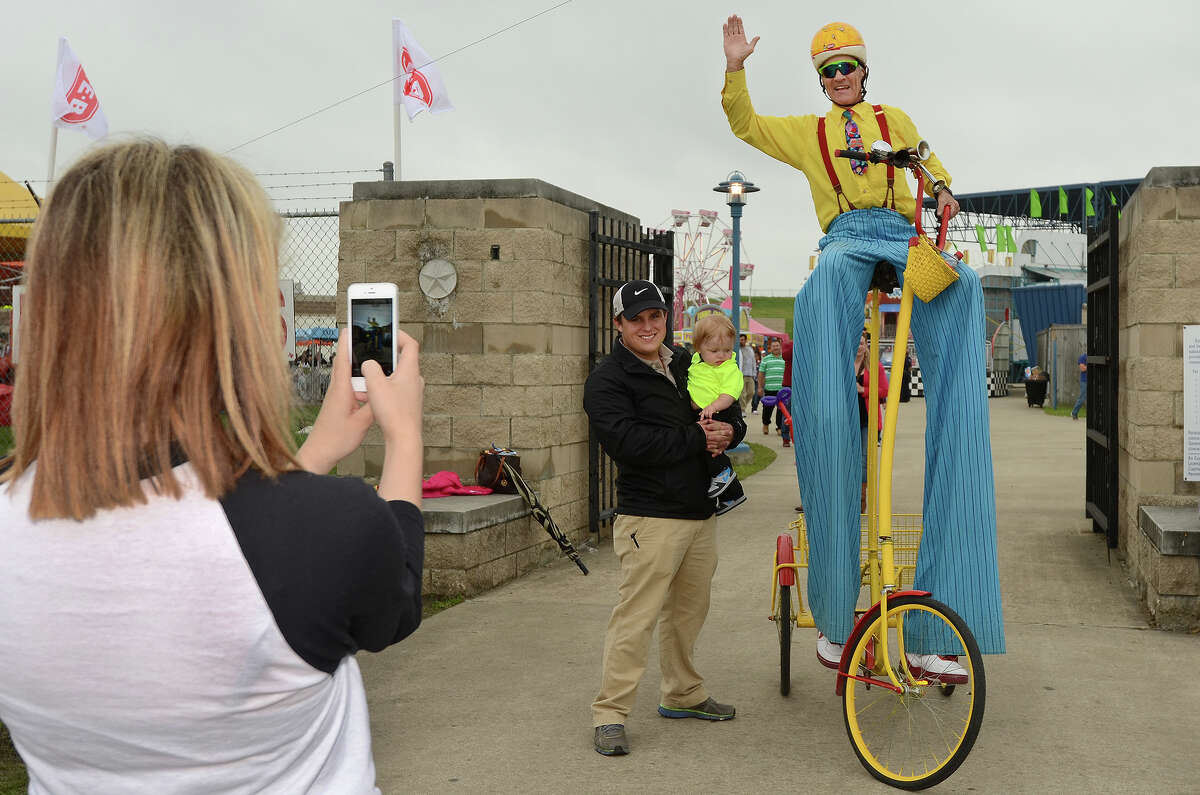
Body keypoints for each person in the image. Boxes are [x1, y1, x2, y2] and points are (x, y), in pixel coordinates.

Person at [0, 139, 425, 793]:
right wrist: (404, 436)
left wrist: (311, 456)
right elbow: (393, 597)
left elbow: (234, 540)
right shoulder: (329, 529)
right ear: (228, 316)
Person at [721, 16, 1005, 674]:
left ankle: (939, 623)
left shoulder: (895, 119)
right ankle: (833, 609)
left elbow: (930, 167)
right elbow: (746, 125)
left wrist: (941, 193)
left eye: (847, 66)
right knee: (817, 302)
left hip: (901, 237)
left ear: (864, 70)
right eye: (828, 71)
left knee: (961, 286)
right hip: (846, 240)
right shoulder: (805, 133)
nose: (839, 77)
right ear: (820, 82)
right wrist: (736, 71)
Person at [584, 279, 746, 757]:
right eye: (636, 319)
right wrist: (701, 440)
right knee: (636, 617)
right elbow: (630, 445)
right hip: (649, 518)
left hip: (700, 511)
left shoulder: (684, 360)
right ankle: (610, 714)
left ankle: (683, 693)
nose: (648, 326)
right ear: (618, 325)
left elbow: (730, 404)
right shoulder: (608, 379)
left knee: (688, 613)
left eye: (655, 316)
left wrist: (729, 431)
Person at [688, 314, 747, 514]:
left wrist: (713, 406)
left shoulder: (730, 369)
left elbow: (729, 395)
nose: (721, 356)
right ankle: (732, 494)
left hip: (720, 411)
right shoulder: (696, 363)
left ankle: (723, 474)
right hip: (705, 410)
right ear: (698, 349)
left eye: (728, 350)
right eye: (714, 351)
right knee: (704, 446)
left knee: (711, 446)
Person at [757, 337, 787, 444]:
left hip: (781, 389)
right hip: (769, 388)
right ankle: (765, 424)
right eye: (773, 346)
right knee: (767, 409)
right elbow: (761, 374)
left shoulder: (784, 358)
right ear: (770, 348)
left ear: (780, 347)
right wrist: (760, 387)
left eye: (777, 346)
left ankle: (779, 427)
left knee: (781, 410)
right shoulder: (766, 359)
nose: (775, 348)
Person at [738, 333, 757, 415]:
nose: (741, 341)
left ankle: (742, 406)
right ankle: (742, 409)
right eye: (740, 339)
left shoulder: (750, 349)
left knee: (751, 392)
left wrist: (754, 373)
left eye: (742, 340)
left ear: (745, 340)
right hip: (740, 374)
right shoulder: (737, 349)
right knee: (742, 393)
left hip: (750, 374)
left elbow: (753, 361)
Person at [1071, 353, 1087, 420]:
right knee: (1082, 397)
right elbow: (1082, 368)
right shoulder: (1083, 357)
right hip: (1085, 381)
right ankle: (1074, 412)